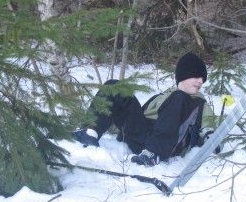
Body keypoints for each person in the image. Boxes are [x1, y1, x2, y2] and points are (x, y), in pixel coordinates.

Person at [72, 52, 217, 166]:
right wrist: (108, 124)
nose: (201, 81)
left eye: (203, 79)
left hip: (165, 145)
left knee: (179, 97)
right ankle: (90, 132)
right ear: (184, 76)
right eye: (197, 76)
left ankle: (154, 154)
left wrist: (210, 135)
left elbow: (208, 125)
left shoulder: (199, 102)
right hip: (143, 134)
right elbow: (135, 117)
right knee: (114, 86)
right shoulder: (162, 96)